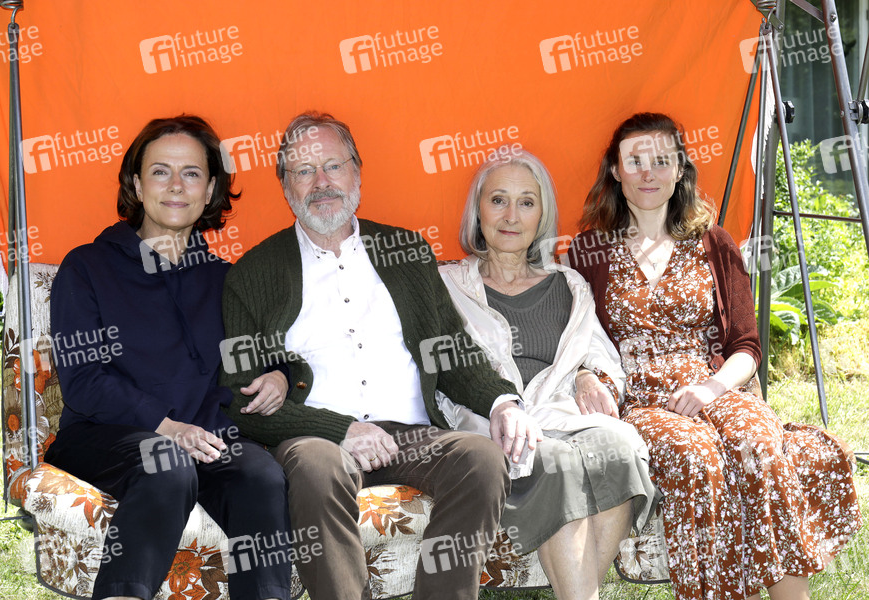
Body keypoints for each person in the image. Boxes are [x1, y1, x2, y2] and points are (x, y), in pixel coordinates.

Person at [219, 111, 542, 600]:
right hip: (318, 438)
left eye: (333, 166)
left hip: (412, 434)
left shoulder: (405, 250)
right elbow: (238, 398)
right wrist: (342, 430)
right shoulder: (253, 274)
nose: (321, 183)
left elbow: (451, 351)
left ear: (357, 173)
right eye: (304, 171)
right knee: (316, 468)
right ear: (285, 187)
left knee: (481, 458)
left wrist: (503, 403)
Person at [567, 112, 862, 600]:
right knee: (695, 455)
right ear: (615, 170)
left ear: (680, 169)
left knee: (759, 443)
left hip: (715, 383)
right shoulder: (589, 251)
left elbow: (747, 345)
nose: (647, 173)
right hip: (640, 397)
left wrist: (711, 387)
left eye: (661, 160)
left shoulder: (714, 242)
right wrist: (583, 375)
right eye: (635, 161)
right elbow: (572, 337)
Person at [45, 115, 292, 600]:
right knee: (167, 462)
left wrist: (280, 375)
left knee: (261, 475)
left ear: (210, 189)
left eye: (192, 173)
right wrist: (168, 427)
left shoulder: (226, 279)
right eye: (160, 172)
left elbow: (270, 353)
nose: (176, 185)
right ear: (137, 185)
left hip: (206, 438)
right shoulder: (87, 267)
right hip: (102, 436)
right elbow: (84, 382)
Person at [435, 147, 660, 600]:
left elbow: (600, 356)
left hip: (560, 411)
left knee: (620, 449)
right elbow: (444, 367)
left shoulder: (568, 285)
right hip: (489, 420)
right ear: (477, 211)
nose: (511, 215)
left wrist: (587, 376)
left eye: (526, 202)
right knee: (556, 460)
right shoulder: (448, 285)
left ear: (542, 216)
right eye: (498, 200)